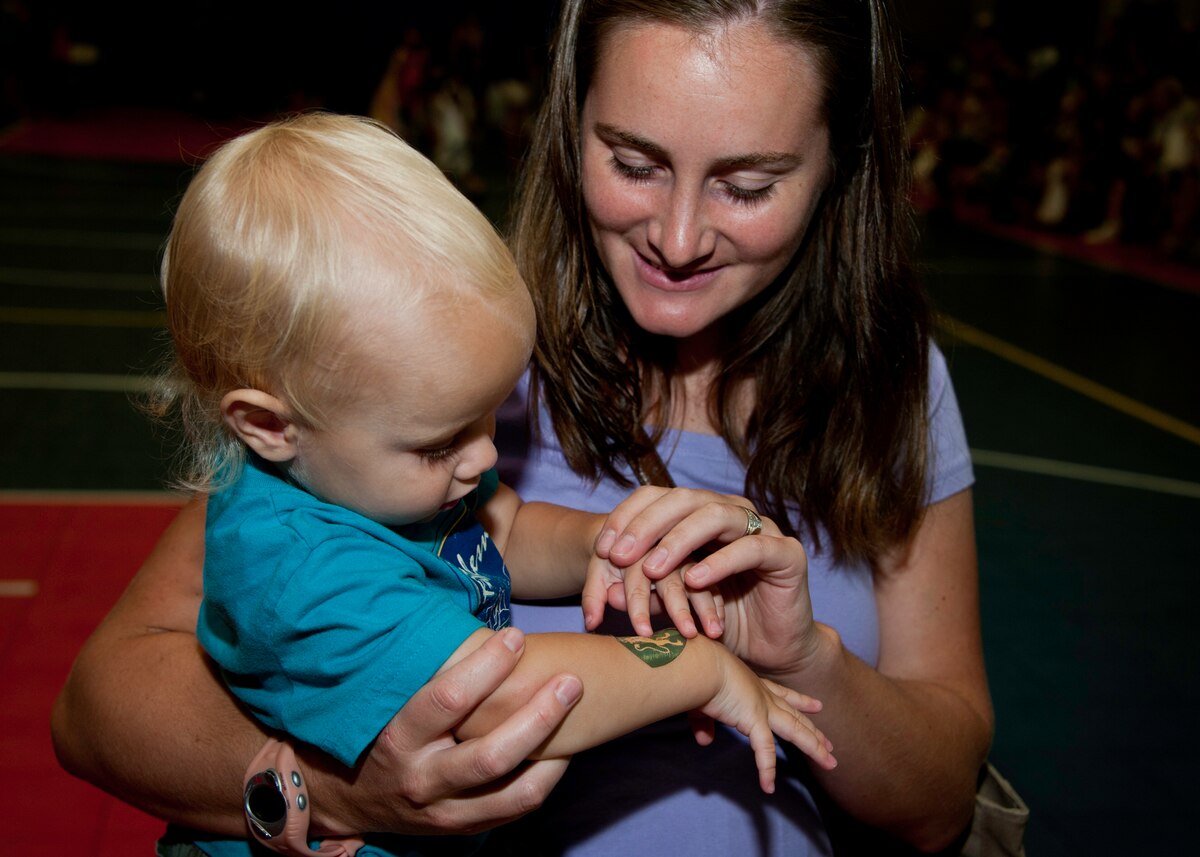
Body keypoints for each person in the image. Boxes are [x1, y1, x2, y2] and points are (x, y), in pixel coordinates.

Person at [52, 1, 993, 855]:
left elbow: (941, 798)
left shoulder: (896, 383)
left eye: (748, 184)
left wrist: (801, 656)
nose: (675, 236)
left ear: (840, 165)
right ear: (567, 122)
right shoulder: (424, 343)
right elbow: (98, 708)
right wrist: (327, 787)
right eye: (632, 162)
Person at [147, 111, 833, 857]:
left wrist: (604, 542)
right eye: (444, 439)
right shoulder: (307, 568)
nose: (479, 458)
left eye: (488, 419)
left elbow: (502, 527)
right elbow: (502, 695)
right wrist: (697, 669)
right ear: (271, 426)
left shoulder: (368, 474)